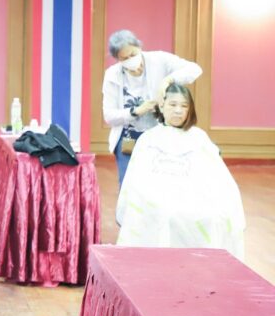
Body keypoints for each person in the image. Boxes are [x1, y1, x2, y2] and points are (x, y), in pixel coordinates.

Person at [116, 84, 245, 259]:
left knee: (213, 216)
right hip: (157, 197)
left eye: (184, 106)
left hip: (194, 196)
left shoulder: (199, 138)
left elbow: (217, 178)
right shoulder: (148, 139)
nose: (178, 111)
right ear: (162, 106)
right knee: (165, 213)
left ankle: (206, 265)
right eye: (173, 104)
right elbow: (137, 181)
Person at [102, 30, 202, 186]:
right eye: (124, 58)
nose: (130, 60)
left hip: (160, 136)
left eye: (133, 54)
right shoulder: (112, 75)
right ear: (117, 59)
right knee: (129, 185)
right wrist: (135, 111)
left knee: (158, 185)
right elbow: (109, 116)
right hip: (128, 140)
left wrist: (168, 80)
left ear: (139, 47)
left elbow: (194, 69)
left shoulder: (159, 59)